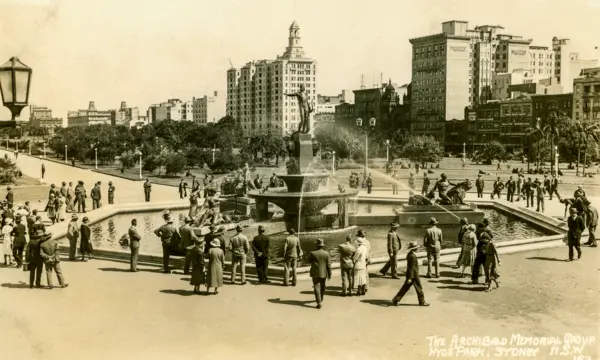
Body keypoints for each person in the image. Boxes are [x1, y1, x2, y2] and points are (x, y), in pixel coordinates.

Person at [391, 241, 429, 306]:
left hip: (411, 274)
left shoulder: (410, 254)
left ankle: (396, 299)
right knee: (419, 288)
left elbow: (410, 267)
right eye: (416, 248)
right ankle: (422, 301)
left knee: (405, 288)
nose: (417, 249)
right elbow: (412, 268)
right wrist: (410, 278)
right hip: (414, 275)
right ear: (414, 249)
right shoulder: (413, 256)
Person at [308, 238, 332, 309]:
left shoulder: (312, 253)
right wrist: (330, 273)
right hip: (324, 272)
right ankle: (321, 298)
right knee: (323, 286)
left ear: (317, 245)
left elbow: (309, 261)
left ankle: (319, 302)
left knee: (316, 286)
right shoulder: (326, 253)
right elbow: (329, 265)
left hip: (315, 272)